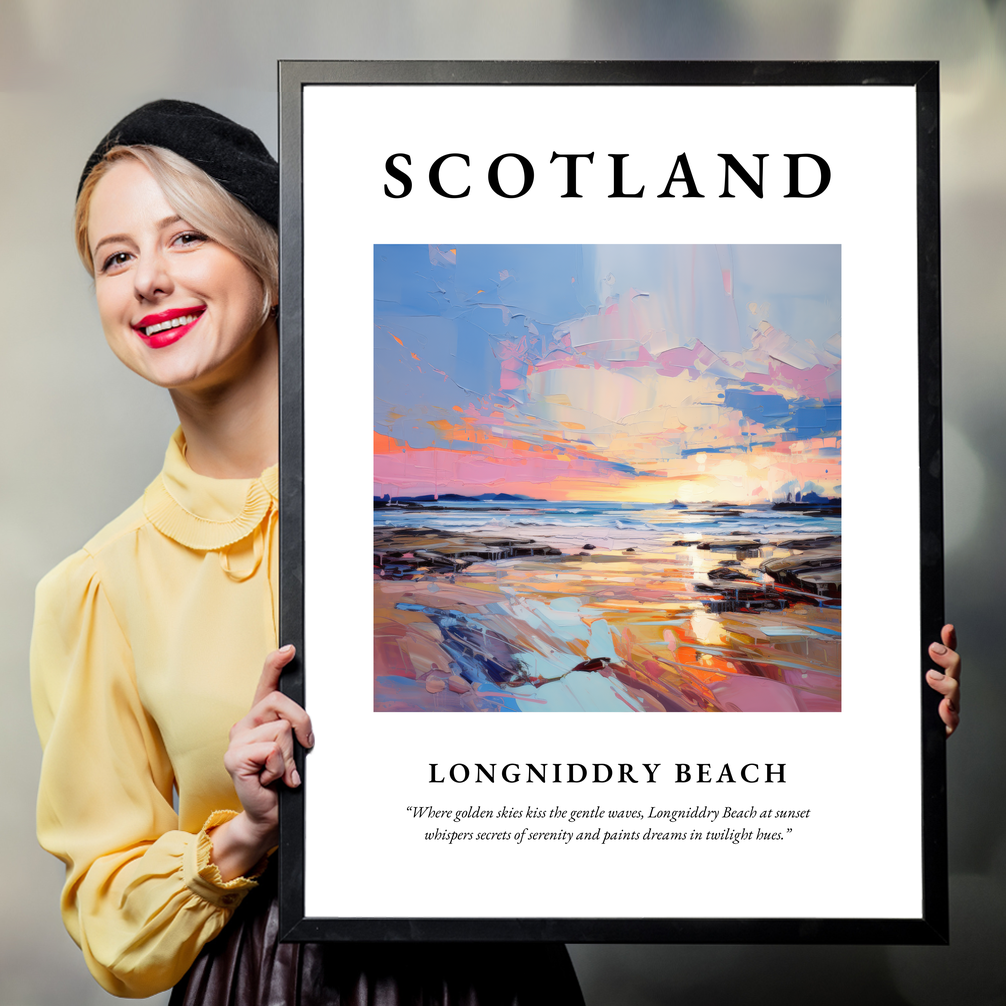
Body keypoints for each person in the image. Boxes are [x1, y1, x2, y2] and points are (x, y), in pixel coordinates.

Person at [30, 100, 586, 1004]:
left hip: (492, 972)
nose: (148, 281)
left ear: (272, 263)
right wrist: (245, 832)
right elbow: (110, 923)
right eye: (116, 257)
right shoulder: (97, 587)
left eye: (185, 238)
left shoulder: (444, 503)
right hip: (262, 982)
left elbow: (616, 700)